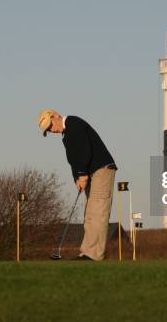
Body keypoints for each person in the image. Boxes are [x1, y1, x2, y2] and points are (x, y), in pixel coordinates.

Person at [38, 109, 117, 261]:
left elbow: (84, 150)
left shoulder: (74, 123)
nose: (51, 130)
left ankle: (94, 255)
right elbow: (73, 160)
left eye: (50, 125)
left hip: (101, 169)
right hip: (90, 173)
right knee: (89, 214)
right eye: (48, 130)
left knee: (98, 213)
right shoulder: (66, 136)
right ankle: (86, 252)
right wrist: (77, 178)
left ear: (55, 115)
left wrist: (82, 174)